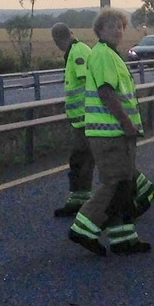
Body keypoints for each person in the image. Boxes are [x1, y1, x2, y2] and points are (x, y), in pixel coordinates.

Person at [68, 9, 154, 256]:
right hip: (110, 133)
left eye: (120, 26)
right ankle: (83, 228)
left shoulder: (110, 54)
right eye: (111, 26)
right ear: (100, 30)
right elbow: (106, 93)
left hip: (115, 133)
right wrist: (128, 124)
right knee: (116, 184)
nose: (117, 30)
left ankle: (123, 238)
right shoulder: (103, 55)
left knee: (124, 186)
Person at [50, 23, 95, 217]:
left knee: (86, 159)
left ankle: (81, 201)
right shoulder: (77, 50)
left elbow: (89, 82)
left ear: (57, 40)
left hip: (87, 118)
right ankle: (79, 199)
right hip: (81, 119)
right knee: (84, 159)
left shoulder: (77, 52)